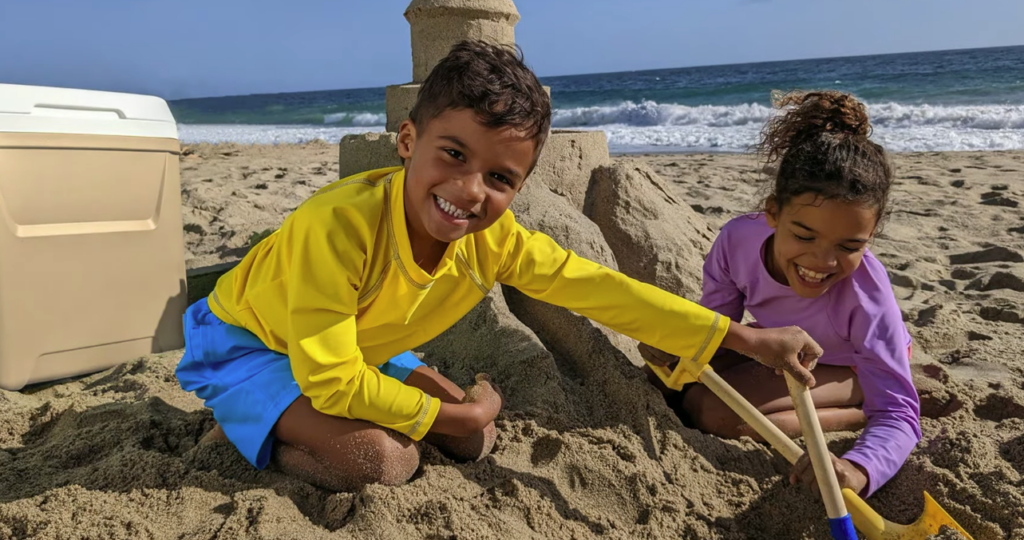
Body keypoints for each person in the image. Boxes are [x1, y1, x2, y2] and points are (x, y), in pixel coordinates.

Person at [176, 40, 823, 492]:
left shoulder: (495, 239)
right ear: (408, 142)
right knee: (382, 461)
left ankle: (321, 416)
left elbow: (601, 290)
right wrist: (450, 414)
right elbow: (331, 380)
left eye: (499, 177)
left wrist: (745, 339)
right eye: (452, 154)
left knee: (472, 443)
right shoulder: (339, 229)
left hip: (354, 352)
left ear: (520, 186)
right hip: (254, 345)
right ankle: (244, 425)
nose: (468, 189)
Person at [641, 90, 920, 499]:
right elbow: (717, 325)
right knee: (661, 380)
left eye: (849, 246)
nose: (822, 261)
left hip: (854, 365)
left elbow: (897, 412)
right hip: (781, 345)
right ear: (774, 213)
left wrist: (859, 468)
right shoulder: (737, 241)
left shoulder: (866, 294)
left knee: (713, 413)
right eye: (804, 235)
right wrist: (677, 345)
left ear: (870, 236)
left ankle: (858, 409)